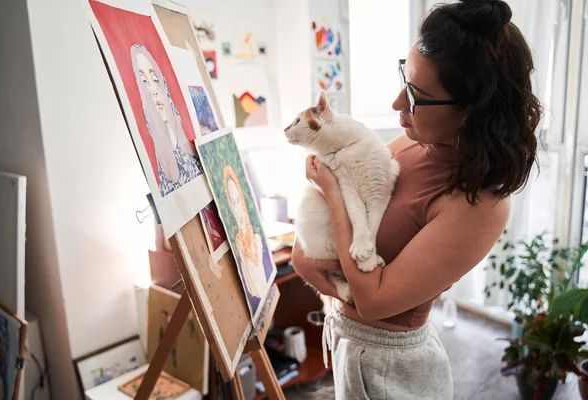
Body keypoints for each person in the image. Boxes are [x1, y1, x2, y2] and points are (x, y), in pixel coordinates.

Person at [291, 1, 540, 399]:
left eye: (416, 96)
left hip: (393, 372)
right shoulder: (413, 141)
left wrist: (336, 198)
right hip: (346, 343)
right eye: (405, 81)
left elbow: (372, 302)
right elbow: (311, 254)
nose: (396, 105)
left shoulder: (479, 203)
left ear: (470, 112)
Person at [131, 44, 202, 197]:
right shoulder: (163, 170)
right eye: (144, 81)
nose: (154, 90)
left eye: (155, 79)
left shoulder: (192, 147)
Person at [224, 165, 271, 302]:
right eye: (233, 202)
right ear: (230, 206)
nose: (237, 207)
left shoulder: (257, 239)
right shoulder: (238, 247)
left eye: (239, 200)